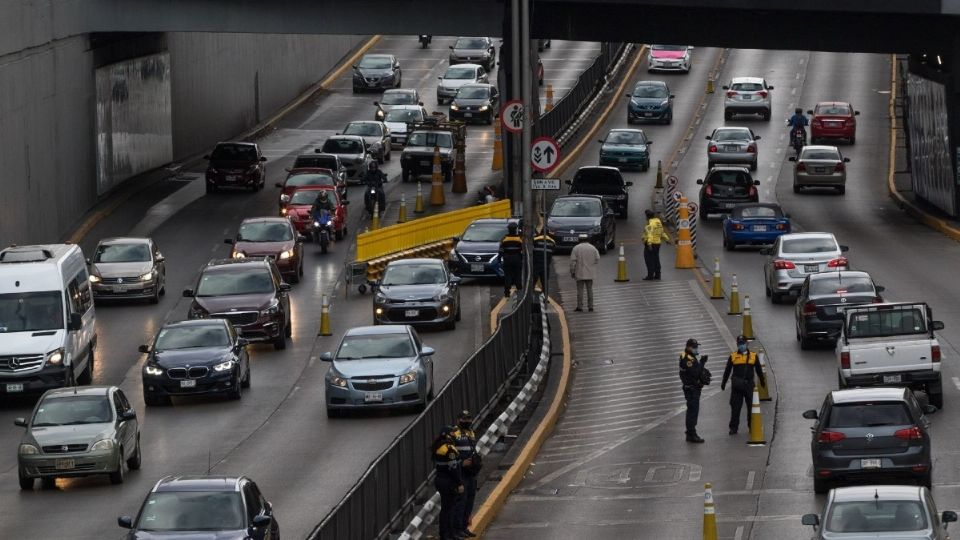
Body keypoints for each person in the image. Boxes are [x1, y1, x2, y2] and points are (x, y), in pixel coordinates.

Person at [720, 335, 766, 435]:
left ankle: (751, 426)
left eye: (743, 343)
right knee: (735, 408)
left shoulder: (753, 356)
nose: (741, 345)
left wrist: (762, 382)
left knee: (751, 408)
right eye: (739, 344)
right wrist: (723, 383)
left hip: (749, 385)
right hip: (737, 386)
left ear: (747, 344)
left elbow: (758, 370)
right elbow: (727, 371)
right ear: (737, 345)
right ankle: (733, 428)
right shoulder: (733, 356)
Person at [432, 425, 465, 540]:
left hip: (441, 480)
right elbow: (453, 468)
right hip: (448, 481)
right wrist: (459, 483)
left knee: (446, 509)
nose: (454, 435)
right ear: (447, 434)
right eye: (452, 433)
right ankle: (447, 535)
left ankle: (447, 534)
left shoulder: (439, 447)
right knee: (449, 509)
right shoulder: (449, 449)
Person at [453, 411, 481, 538]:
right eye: (464, 419)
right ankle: (457, 529)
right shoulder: (454, 433)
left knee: (469, 501)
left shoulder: (471, 433)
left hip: (471, 473)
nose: (467, 421)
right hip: (461, 473)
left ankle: (464, 527)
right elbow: (449, 455)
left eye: (469, 418)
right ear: (458, 420)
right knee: (461, 502)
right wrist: (460, 463)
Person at [678, 338, 708, 443]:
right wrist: (702, 363)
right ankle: (691, 433)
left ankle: (690, 433)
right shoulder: (687, 359)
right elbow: (695, 373)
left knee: (692, 411)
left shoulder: (689, 357)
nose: (696, 349)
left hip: (693, 387)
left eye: (697, 347)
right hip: (691, 389)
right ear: (688, 347)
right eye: (694, 347)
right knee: (693, 411)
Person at [569, 234, 600, 312]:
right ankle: (590, 306)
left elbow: (573, 262)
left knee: (580, 290)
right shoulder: (593, 248)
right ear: (588, 239)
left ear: (579, 239)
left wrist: (572, 271)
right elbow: (597, 259)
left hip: (579, 272)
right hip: (590, 273)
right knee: (590, 290)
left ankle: (580, 307)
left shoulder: (576, 248)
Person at [642, 210, 670, 280]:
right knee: (656, 259)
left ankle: (650, 275)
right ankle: (658, 275)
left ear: (647, 216)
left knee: (649, 260)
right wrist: (667, 239)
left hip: (651, 244)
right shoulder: (658, 222)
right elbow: (662, 232)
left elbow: (650, 234)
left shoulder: (650, 225)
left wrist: (649, 244)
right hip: (657, 243)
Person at [499, 222, 524, 297]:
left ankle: (507, 293)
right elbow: (523, 250)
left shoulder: (504, 239)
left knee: (508, 276)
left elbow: (500, 251)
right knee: (518, 276)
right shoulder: (520, 239)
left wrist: (500, 259)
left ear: (508, 229)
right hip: (517, 259)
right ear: (516, 229)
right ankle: (520, 292)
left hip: (507, 259)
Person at [532, 227, 555, 295]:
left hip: (536, 264)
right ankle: (545, 297)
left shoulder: (535, 239)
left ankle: (530, 295)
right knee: (544, 282)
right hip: (546, 265)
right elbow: (552, 251)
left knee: (533, 281)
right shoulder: (552, 241)